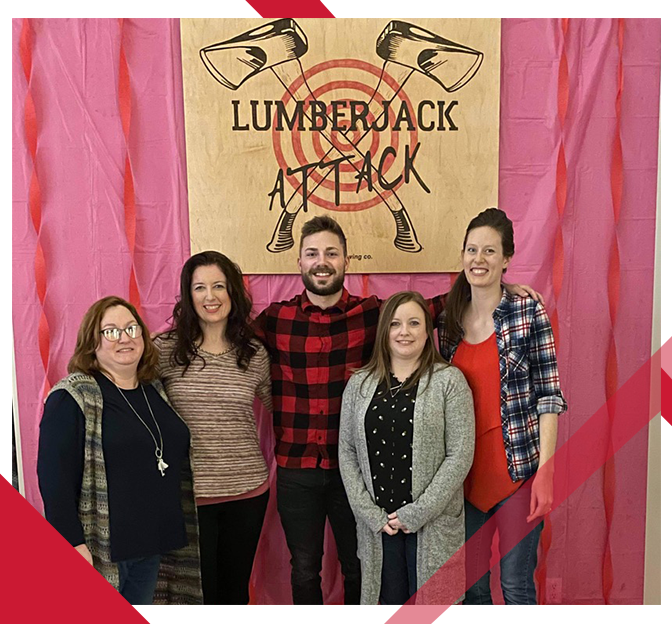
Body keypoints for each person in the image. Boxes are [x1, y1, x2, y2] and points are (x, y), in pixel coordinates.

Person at [254, 214, 539, 605]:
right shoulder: (275, 319)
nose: (322, 261)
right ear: (299, 262)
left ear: (346, 260)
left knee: (358, 569)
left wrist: (498, 289)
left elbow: (430, 308)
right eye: (313, 253)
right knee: (304, 568)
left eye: (331, 253)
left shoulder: (371, 314)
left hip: (348, 476)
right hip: (296, 469)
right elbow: (229, 337)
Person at [438, 208, 567, 605]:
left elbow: (549, 395)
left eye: (490, 251)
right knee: (473, 589)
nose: (479, 259)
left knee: (515, 586)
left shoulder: (528, 313)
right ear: (462, 256)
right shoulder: (445, 321)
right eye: (472, 250)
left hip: (518, 472)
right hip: (463, 479)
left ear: (507, 259)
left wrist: (545, 472)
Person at [38, 296, 201, 605]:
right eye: (111, 331)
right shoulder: (73, 396)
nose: (124, 338)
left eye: (131, 328)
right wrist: (72, 545)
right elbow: (54, 480)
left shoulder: (154, 390)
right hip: (102, 551)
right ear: (92, 342)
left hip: (151, 547)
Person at [339, 291, 475, 605]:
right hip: (380, 525)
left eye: (414, 323)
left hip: (432, 521)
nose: (405, 332)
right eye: (396, 324)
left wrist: (418, 512)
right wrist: (369, 514)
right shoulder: (359, 384)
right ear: (384, 331)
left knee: (435, 604)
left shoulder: (449, 382)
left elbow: (460, 453)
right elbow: (346, 452)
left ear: (428, 331)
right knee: (386, 603)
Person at [154, 251, 273, 605]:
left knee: (235, 594)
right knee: (197, 596)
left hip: (248, 492)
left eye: (219, 286)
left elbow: (282, 409)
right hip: (189, 496)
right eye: (200, 287)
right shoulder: (165, 349)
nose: (211, 296)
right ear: (188, 295)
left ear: (232, 293)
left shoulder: (254, 353)